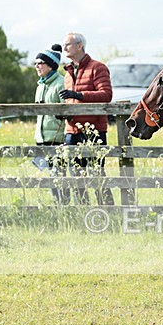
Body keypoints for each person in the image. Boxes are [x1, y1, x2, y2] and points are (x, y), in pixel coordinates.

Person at [60, 32, 114, 205]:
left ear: (79, 46)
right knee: (75, 173)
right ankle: (83, 209)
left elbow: (106, 95)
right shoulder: (68, 73)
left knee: (96, 173)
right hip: (72, 130)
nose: (64, 48)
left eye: (67, 44)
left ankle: (108, 209)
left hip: (94, 130)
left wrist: (79, 94)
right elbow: (70, 101)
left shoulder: (98, 67)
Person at [33, 44, 69, 204]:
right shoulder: (40, 85)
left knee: (59, 175)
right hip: (42, 137)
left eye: (40, 62)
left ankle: (65, 204)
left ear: (51, 65)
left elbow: (66, 111)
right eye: (36, 63)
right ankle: (57, 204)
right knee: (50, 175)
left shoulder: (60, 83)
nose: (36, 66)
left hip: (57, 137)